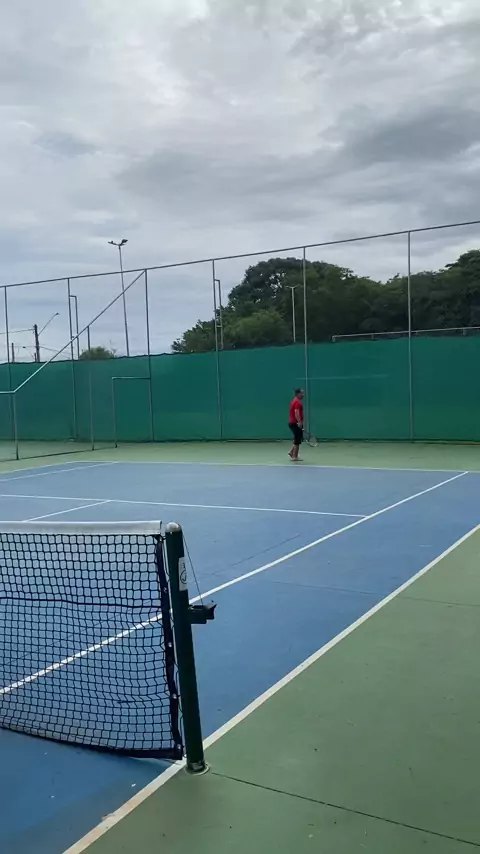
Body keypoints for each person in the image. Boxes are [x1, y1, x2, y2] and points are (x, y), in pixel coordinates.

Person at [288, 388, 304, 461]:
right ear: (297, 394)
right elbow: (296, 412)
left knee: (297, 438)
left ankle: (291, 452)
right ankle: (295, 457)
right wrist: (299, 422)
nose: (303, 395)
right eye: (302, 393)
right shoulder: (297, 402)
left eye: (303, 393)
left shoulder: (294, 400)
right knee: (297, 440)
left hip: (293, 423)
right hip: (295, 423)